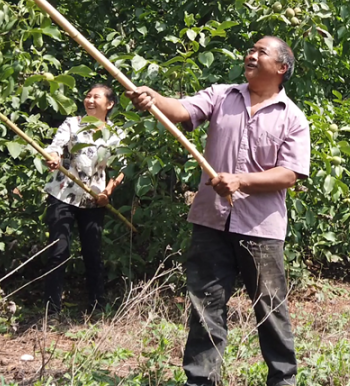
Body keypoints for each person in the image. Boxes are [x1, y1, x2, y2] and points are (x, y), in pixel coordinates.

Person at [127, 36, 309, 386]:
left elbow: (290, 174)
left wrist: (241, 181)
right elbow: (182, 109)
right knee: (204, 306)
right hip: (211, 221)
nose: (251, 55)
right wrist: (155, 100)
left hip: (261, 229)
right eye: (250, 50)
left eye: (261, 52)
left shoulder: (293, 118)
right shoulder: (223, 95)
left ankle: (283, 380)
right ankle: (200, 379)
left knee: (270, 309)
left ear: (282, 68)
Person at [43, 84, 126, 316]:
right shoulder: (72, 123)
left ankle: (97, 306)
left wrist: (108, 192)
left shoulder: (116, 133)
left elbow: (123, 167)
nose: (89, 100)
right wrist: (53, 158)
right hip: (62, 194)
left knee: (93, 253)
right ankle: (52, 309)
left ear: (109, 104)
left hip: (93, 199)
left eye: (96, 97)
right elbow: (55, 147)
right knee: (58, 250)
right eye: (87, 96)